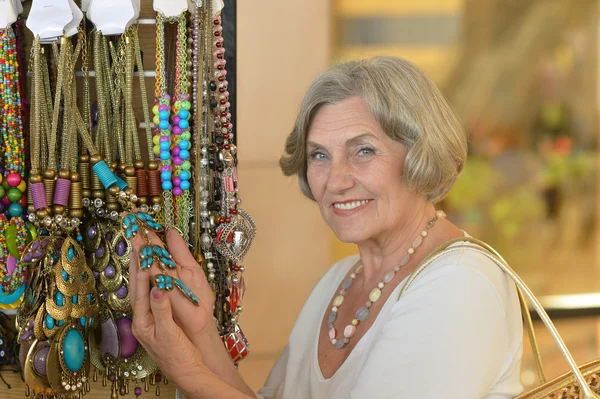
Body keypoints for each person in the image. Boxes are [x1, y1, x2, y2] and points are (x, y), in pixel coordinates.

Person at [129, 56, 524, 398]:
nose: (335, 181)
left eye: (363, 150)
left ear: (421, 154)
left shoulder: (460, 284)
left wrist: (188, 373)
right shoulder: (339, 282)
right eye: (319, 155)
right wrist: (200, 331)